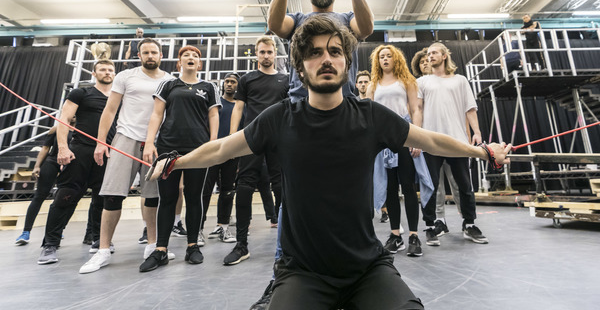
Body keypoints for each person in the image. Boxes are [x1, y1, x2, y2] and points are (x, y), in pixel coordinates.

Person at [147, 16, 510, 310]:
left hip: (366, 267)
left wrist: (484, 151)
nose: (326, 59)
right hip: (302, 271)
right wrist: (176, 162)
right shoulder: (279, 117)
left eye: (335, 52)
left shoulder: (371, 115)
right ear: (300, 69)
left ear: (347, 64)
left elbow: (429, 139)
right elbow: (222, 149)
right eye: (315, 53)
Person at [254, 0, 376, 310]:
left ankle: (358, 272)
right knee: (293, 199)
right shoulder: (299, 19)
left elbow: (367, 28)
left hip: (344, 117)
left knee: (349, 194)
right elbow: (275, 24)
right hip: (300, 118)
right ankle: (282, 277)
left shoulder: (345, 19)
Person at [79, 38, 174, 274]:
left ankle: (152, 245)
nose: (150, 55)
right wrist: (101, 142)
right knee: (112, 196)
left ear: (161, 55)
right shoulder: (126, 76)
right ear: (139, 55)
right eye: (145, 52)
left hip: (156, 143)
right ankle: (102, 250)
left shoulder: (170, 81)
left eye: (154, 52)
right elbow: (110, 110)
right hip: (126, 138)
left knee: (152, 197)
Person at [139, 45, 220, 272]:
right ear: (179, 63)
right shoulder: (169, 84)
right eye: (186, 55)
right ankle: (161, 250)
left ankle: (193, 246)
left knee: (194, 196)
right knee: (168, 197)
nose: (191, 58)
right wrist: (149, 141)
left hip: (198, 149)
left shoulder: (209, 87)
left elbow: (214, 115)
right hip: (168, 148)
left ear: (200, 64)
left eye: (195, 56)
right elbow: (156, 113)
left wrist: (213, 144)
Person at [37, 60, 116, 265]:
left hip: (107, 153)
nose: (107, 73)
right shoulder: (81, 94)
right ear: (94, 72)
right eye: (103, 69)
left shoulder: (118, 98)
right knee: (66, 196)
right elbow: (64, 119)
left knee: (102, 199)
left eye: (110, 70)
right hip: (81, 151)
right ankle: (50, 245)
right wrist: (63, 147)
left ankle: (98, 240)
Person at [223, 36, 289, 266]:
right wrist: (232, 137)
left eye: (269, 52)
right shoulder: (247, 79)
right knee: (244, 186)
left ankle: (287, 244)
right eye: (262, 52)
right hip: (251, 138)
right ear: (256, 54)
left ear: (274, 54)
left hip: (278, 141)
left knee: (281, 187)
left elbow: (290, 111)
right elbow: (238, 108)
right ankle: (241, 244)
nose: (266, 56)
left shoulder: (285, 80)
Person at [417, 42, 488, 246]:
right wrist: (418, 137)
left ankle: (469, 224)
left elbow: (470, 108)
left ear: (444, 55)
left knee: (464, 185)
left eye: (434, 53)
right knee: (430, 186)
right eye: (428, 54)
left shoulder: (460, 80)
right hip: (431, 141)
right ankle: (431, 226)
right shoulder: (422, 82)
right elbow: (418, 110)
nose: (430, 56)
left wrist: (476, 133)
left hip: (457, 141)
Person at [366, 45, 423, 257]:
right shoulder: (373, 85)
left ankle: (414, 236)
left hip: (404, 135)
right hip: (383, 141)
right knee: (389, 187)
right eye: (381, 56)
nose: (385, 59)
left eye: (389, 55)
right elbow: (369, 115)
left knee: (408, 186)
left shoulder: (406, 81)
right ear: (377, 61)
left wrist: (417, 138)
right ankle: (395, 234)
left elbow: (415, 109)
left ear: (395, 58)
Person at [411, 48, 461, 235]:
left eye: (428, 59)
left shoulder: (452, 83)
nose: (426, 62)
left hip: (452, 139)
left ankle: (467, 220)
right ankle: (439, 220)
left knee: (457, 182)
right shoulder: (417, 86)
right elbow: (415, 112)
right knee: (435, 185)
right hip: (428, 142)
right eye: (422, 62)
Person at [204, 73, 242, 244]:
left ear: (238, 85)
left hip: (232, 153)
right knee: (205, 191)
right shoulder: (216, 104)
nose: (229, 84)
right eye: (226, 81)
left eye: (233, 82)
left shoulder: (242, 107)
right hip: (212, 152)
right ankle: (198, 228)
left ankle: (223, 227)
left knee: (227, 191)